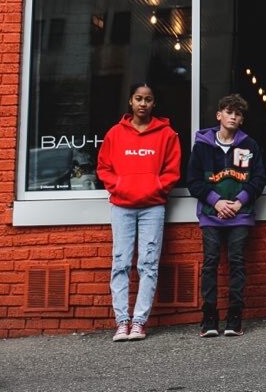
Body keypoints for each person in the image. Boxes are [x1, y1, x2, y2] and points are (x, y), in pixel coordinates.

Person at [96, 82, 182, 342]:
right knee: (120, 263)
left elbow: (172, 170)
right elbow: (103, 168)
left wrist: (156, 187)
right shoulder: (115, 133)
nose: (143, 103)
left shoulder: (167, 134)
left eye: (148, 99)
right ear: (130, 102)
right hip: (122, 207)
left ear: (154, 103)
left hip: (152, 208)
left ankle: (139, 322)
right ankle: (122, 321)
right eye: (138, 98)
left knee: (148, 265)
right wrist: (120, 186)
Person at [187, 93, 266, 337]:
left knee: (236, 263)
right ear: (219, 115)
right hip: (211, 215)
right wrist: (217, 201)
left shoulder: (249, 145)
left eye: (238, 114)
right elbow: (192, 181)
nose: (233, 116)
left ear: (242, 119)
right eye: (229, 112)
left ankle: (235, 316)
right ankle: (209, 316)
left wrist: (239, 203)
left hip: (240, 215)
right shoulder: (201, 146)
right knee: (210, 263)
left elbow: (259, 179)